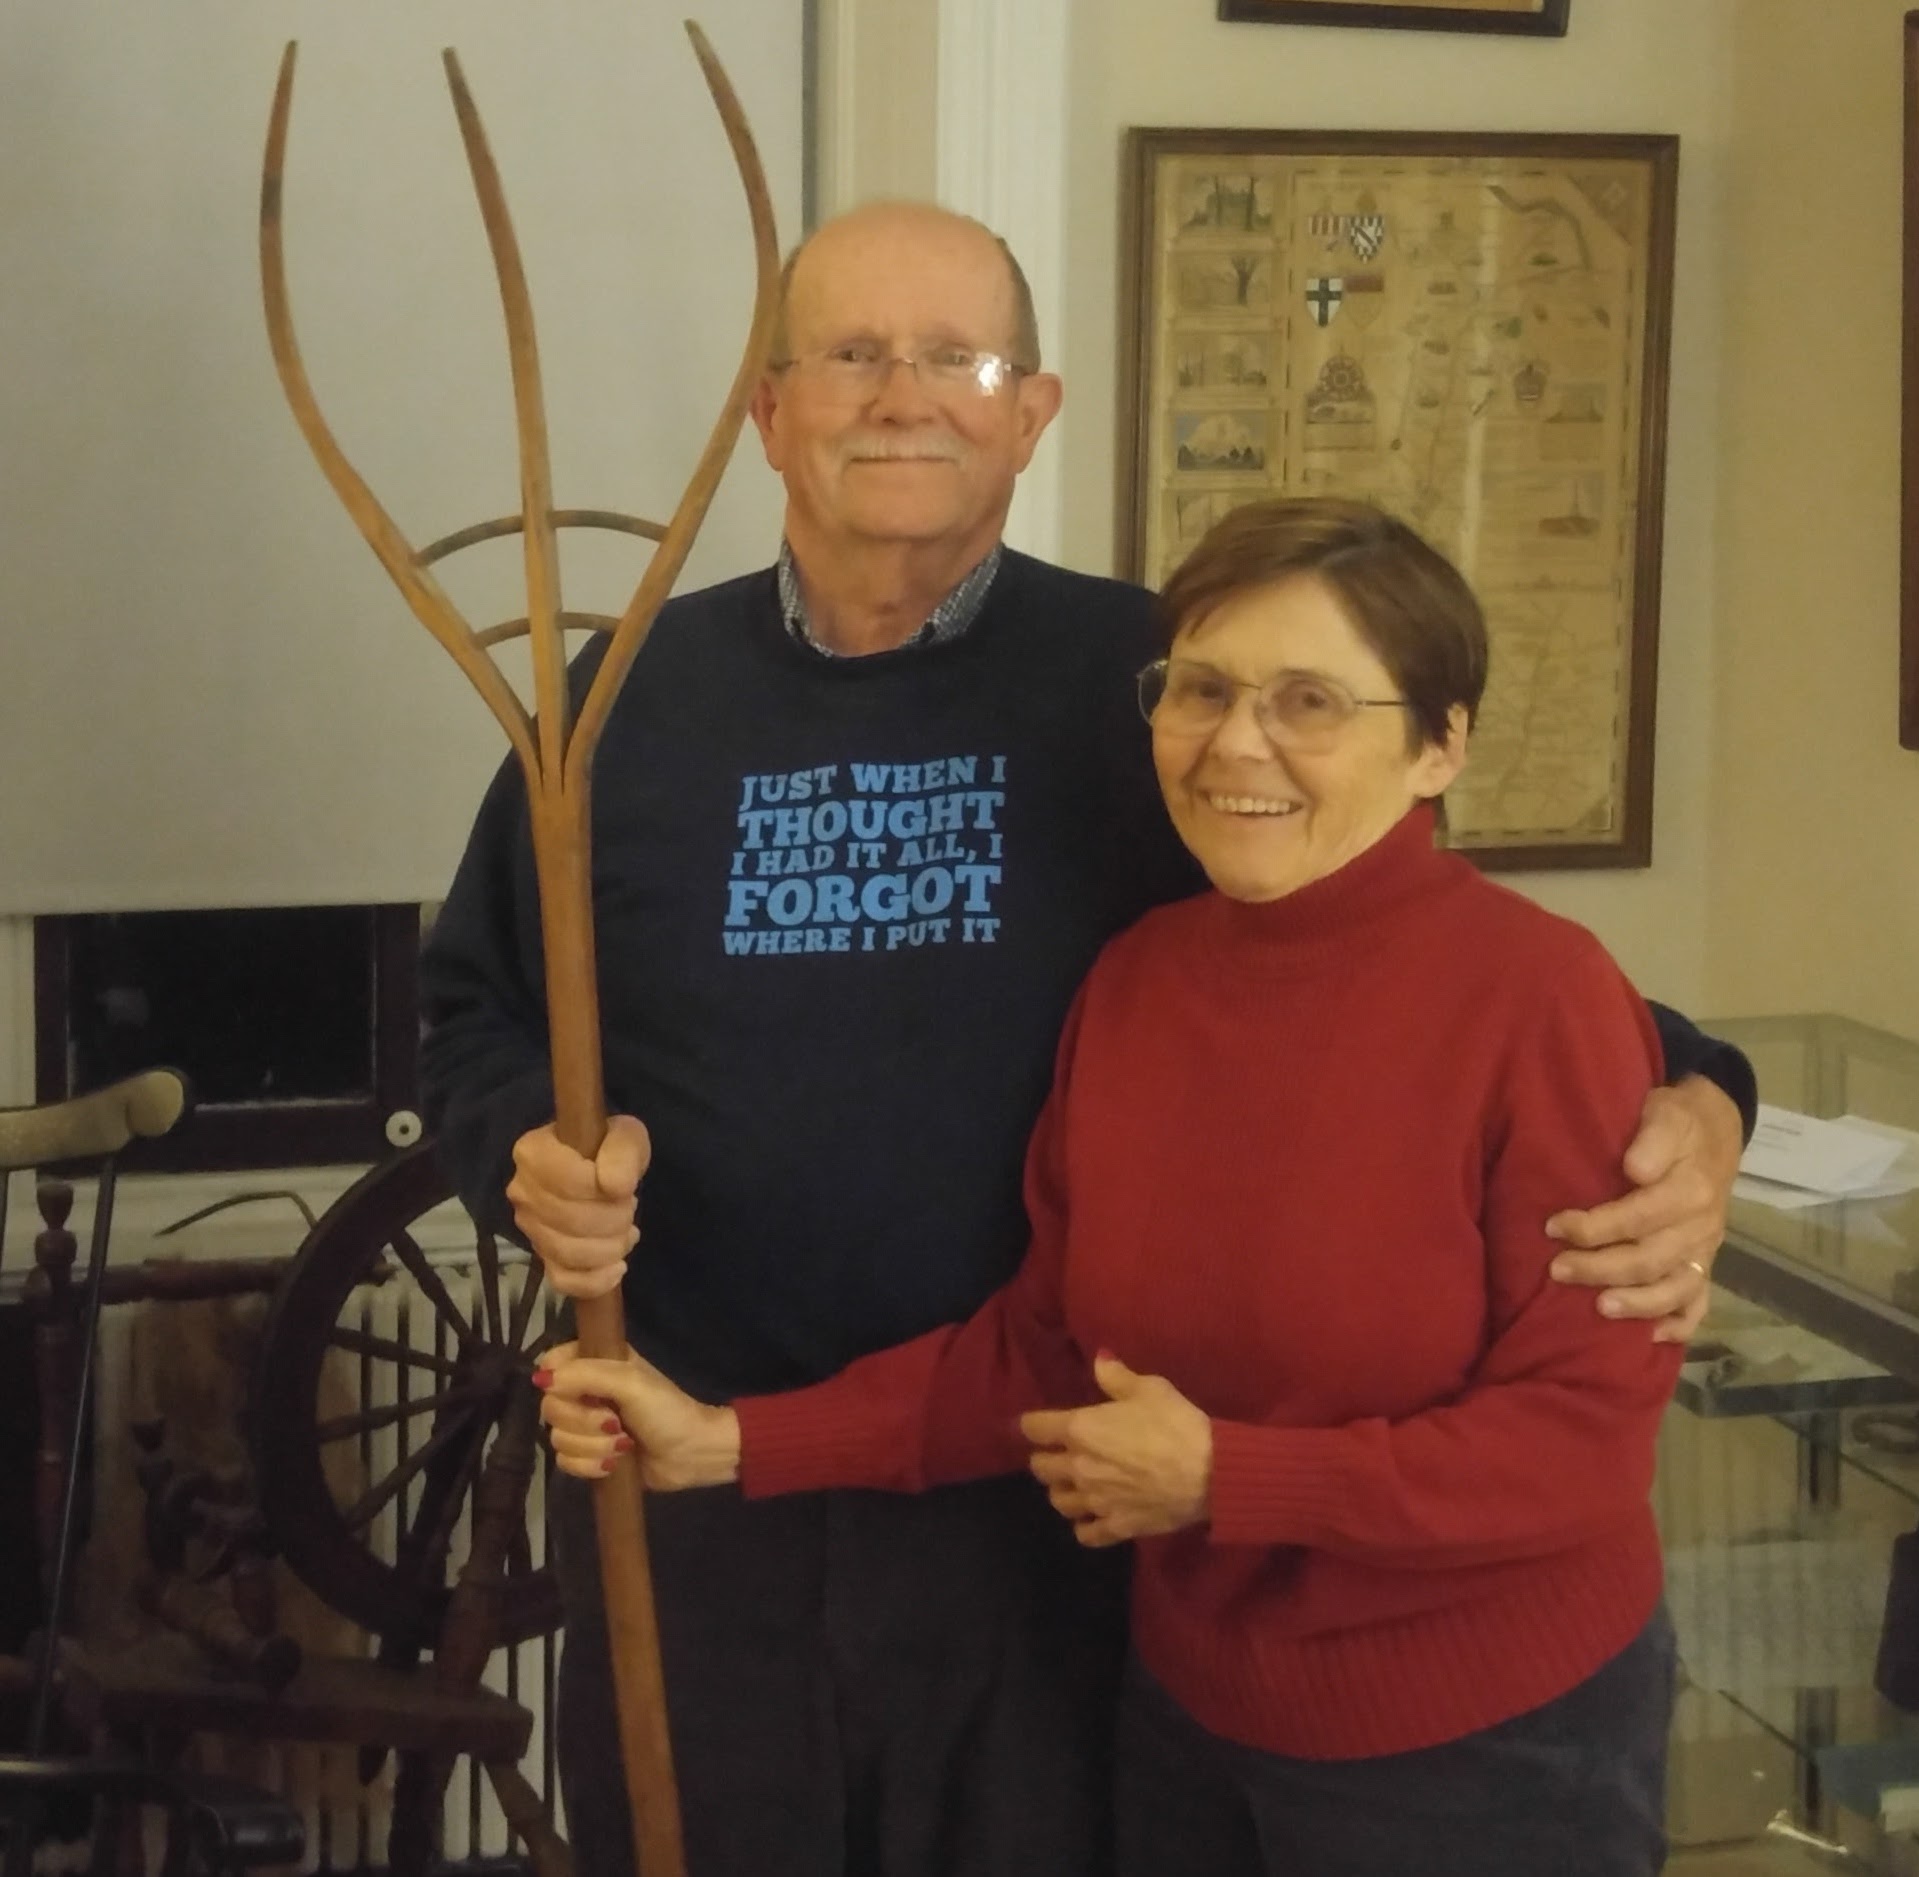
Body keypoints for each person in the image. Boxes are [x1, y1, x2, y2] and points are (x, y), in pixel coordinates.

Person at [418, 202, 1752, 1877]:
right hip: (699, 1468)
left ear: (1028, 413)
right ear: (767, 413)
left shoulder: (1149, 677)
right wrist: (526, 1149)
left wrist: (1703, 1096)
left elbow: (1422, 952)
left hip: (1052, 1509)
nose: (903, 396)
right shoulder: (618, 706)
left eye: (956, 358)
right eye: (849, 354)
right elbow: (473, 1007)